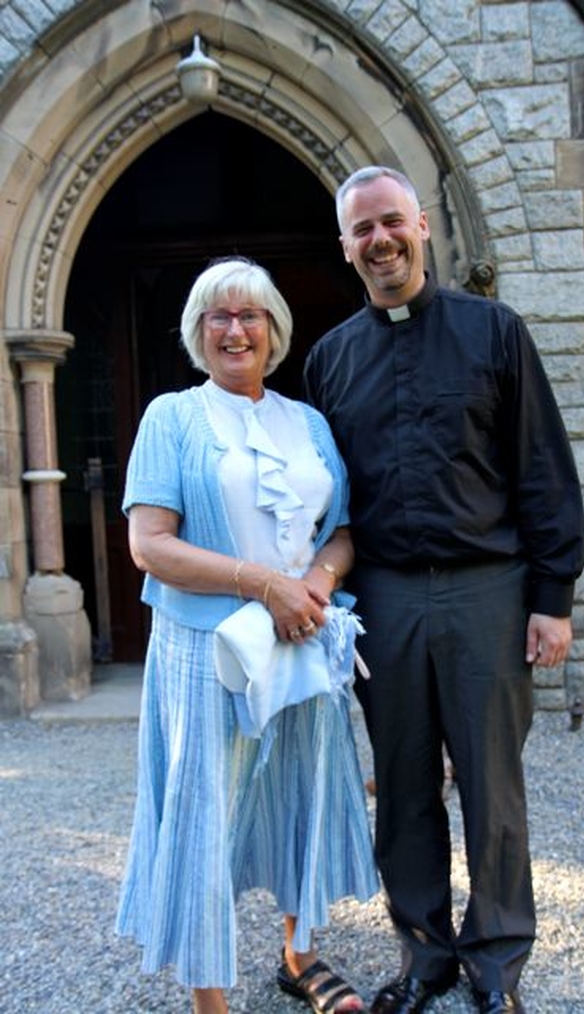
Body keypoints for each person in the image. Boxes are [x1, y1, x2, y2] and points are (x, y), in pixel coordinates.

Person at [303, 167, 584, 1014]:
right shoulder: (329, 360)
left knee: (493, 786)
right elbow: (323, 498)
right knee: (403, 785)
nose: (380, 241)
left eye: (392, 222)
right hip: (382, 601)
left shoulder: (494, 331)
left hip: (488, 589)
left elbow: (543, 469)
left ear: (421, 226)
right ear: (346, 245)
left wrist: (555, 595)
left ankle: (497, 966)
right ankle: (423, 958)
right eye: (363, 230)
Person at [115, 256, 379, 1014]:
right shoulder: (172, 416)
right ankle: (209, 996)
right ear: (199, 334)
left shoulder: (309, 423)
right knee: (208, 809)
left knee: (305, 791)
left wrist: (314, 587)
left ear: (274, 330)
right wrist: (265, 584)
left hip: (303, 637)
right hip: (208, 649)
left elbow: (344, 533)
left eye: (250, 315)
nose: (236, 329)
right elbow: (150, 544)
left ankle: (300, 956)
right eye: (218, 317)